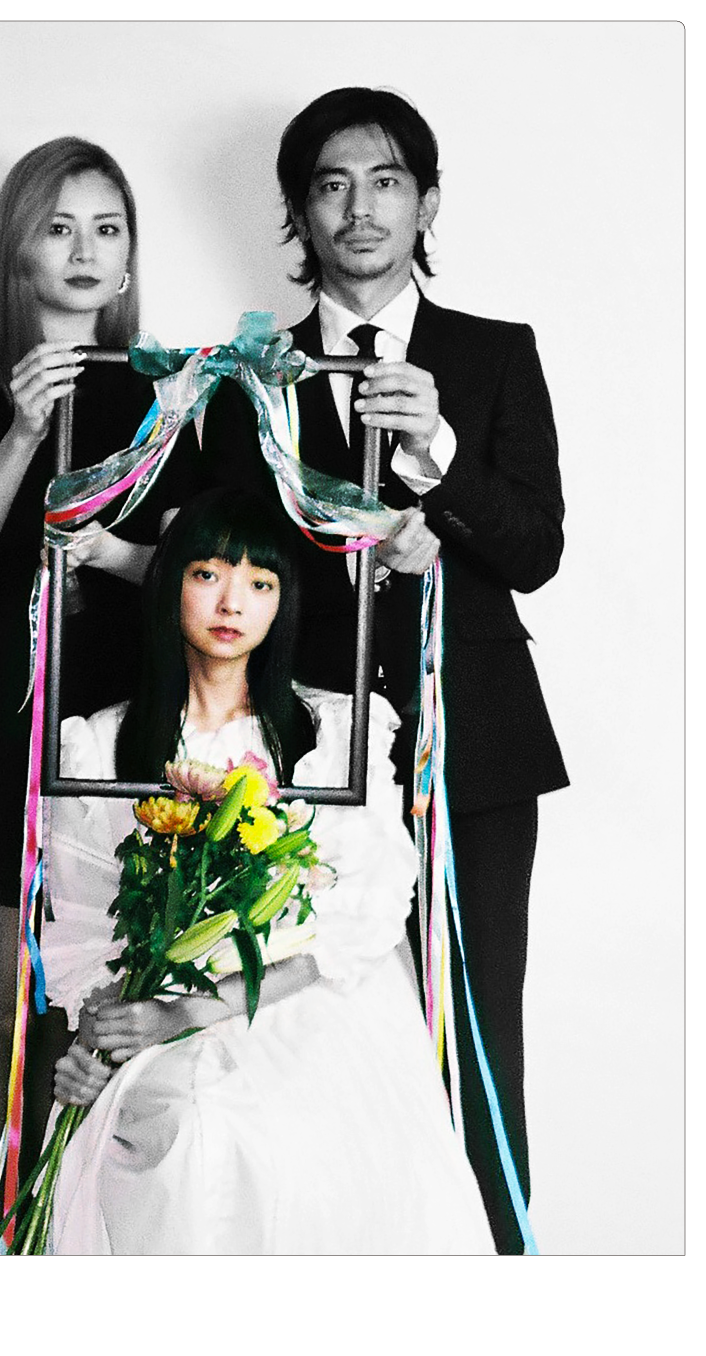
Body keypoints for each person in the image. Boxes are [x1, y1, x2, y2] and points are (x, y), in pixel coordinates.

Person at [199, 87, 568, 1253]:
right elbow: (230, 574)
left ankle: (497, 1286)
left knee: (474, 1029)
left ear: (427, 203)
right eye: (331, 185)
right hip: (306, 757)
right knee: (308, 1041)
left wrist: (440, 471)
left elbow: (536, 548)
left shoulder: (496, 355)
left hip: (478, 750)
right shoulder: (248, 374)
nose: (359, 208)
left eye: (387, 181)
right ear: (300, 214)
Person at [39, 488, 495, 1254]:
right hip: (160, 1016)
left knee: (282, 1141)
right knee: (188, 1134)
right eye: (207, 575)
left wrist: (193, 1013)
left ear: (283, 604)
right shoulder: (99, 746)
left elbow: (358, 921)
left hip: (309, 1003)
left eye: (259, 583)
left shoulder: (333, 735)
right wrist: (97, 1037)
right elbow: (86, 928)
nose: (232, 603)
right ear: (168, 583)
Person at [0, 136, 198, 1254]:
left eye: (108, 228)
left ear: (129, 260)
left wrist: (118, 556)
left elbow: (201, 574)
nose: (85, 250)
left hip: (119, 732)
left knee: (91, 1002)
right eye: (59, 226)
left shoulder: (170, 389)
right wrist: (25, 430)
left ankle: (76, 1253)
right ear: (20, 251)